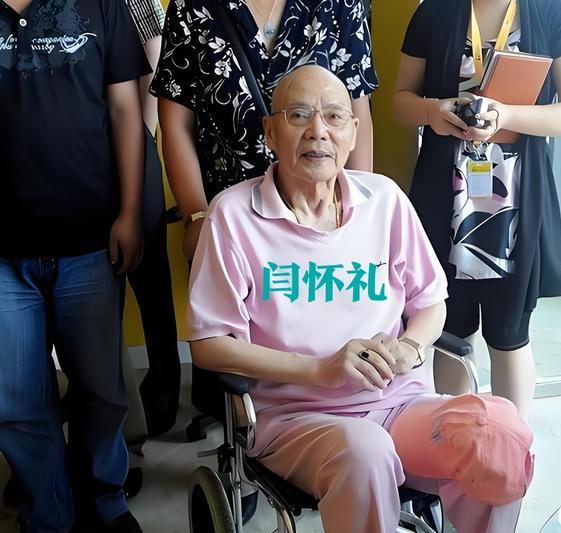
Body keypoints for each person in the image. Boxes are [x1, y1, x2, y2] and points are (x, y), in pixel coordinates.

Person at [187, 64, 534, 533]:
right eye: (299, 115)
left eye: (334, 116)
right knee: (365, 452)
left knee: (500, 433)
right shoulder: (233, 216)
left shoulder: (384, 200)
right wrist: (321, 369)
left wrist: (409, 347)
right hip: (297, 418)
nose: (318, 131)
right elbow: (209, 345)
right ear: (270, 132)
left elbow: (431, 302)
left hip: (400, 405)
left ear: (352, 132)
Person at [393, 0, 561, 417]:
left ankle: (512, 442)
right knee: (450, 328)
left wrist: (508, 115)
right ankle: (452, 441)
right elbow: (401, 103)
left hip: (516, 200)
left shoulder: (553, 11)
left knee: (510, 333)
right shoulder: (434, 11)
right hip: (444, 195)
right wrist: (433, 110)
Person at [0, 0, 149, 531]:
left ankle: (104, 502)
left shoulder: (102, 4)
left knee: (101, 392)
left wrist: (130, 212)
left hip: (90, 235)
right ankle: (47, 515)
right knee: (16, 401)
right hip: (4, 252)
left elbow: (126, 108)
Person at [150, 0, 378, 260]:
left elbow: (355, 112)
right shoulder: (191, 7)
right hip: (231, 230)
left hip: (324, 223)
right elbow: (176, 124)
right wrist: (198, 217)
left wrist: (357, 215)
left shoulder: (340, 5)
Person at [125, 0, 182, 437]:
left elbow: (156, 57)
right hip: (74, 153)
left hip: (131, 140)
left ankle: (164, 386)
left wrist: (143, 137)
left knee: (151, 279)